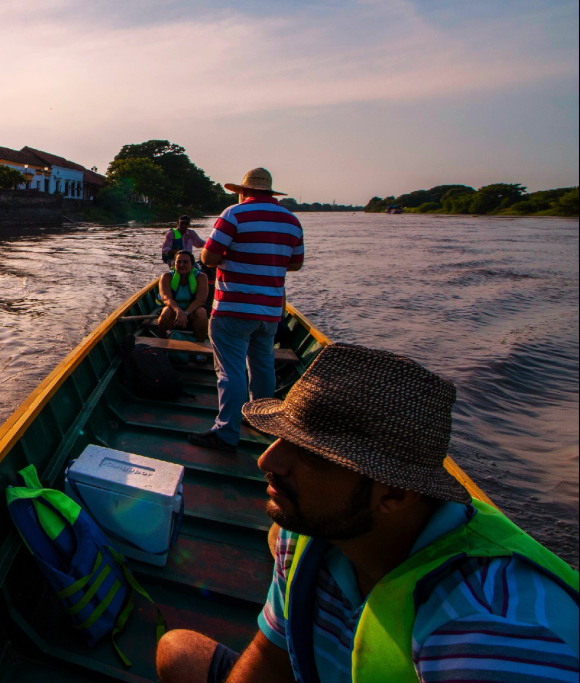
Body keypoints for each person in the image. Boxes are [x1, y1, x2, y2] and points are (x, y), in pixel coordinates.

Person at [157, 343, 580, 683]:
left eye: (312, 453)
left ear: (394, 495)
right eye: (281, 437)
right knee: (176, 652)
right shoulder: (304, 530)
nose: (266, 460)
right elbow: (273, 660)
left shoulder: (489, 635)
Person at [189, 168, 303, 452]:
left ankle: (226, 433)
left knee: (230, 370)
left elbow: (209, 257)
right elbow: (295, 263)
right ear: (270, 192)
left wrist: (231, 255)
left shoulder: (234, 214)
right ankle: (261, 420)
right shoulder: (292, 221)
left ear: (243, 191)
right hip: (270, 311)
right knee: (263, 365)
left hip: (233, 308)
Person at [158, 250, 210, 341]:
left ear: (192, 265)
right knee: (165, 312)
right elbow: (166, 298)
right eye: (179, 262)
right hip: (174, 313)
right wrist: (178, 311)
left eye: (185, 262)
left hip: (192, 313)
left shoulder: (201, 277)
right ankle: (162, 345)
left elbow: (201, 300)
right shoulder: (166, 277)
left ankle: (200, 349)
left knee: (201, 313)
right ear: (174, 264)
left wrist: (185, 313)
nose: (182, 265)